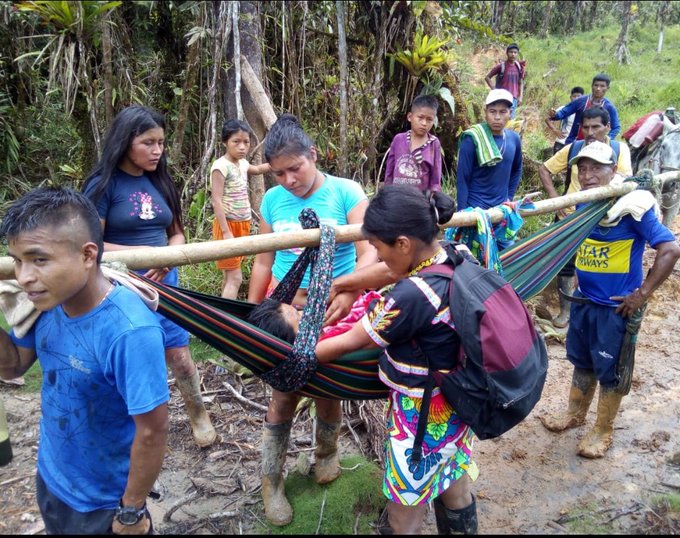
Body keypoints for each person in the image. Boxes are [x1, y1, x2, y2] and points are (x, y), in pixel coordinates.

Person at [0, 188, 169, 535]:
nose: (24, 276)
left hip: (104, 502)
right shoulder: (46, 304)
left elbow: (153, 430)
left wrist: (131, 511)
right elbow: (13, 365)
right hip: (52, 478)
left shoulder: (130, 332)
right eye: (17, 260)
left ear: (88, 254)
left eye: (39, 259)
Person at [315, 185, 479, 535]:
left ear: (403, 243)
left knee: (403, 511)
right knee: (453, 481)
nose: (378, 256)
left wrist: (292, 355)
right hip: (455, 402)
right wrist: (344, 284)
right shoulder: (454, 254)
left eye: (378, 248)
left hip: (418, 418)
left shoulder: (410, 296)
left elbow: (349, 342)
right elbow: (390, 272)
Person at [246, 113, 374, 526]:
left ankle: (326, 454)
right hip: (286, 312)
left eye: (294, 168)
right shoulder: (272, 201)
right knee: (283, 394)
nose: (287, 180)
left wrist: (352, 287)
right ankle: (272, 482)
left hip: (336, 307)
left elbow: (370, 250)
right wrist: (250, 319)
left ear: (313, 155)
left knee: (327, 385)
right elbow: (264, 260)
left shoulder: (346, 192)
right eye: (277, 173)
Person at [82, 105, 217, 448]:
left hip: (166, 283)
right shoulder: (103, 185)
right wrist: (141, 259)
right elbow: (90, 243)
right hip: (119, 286)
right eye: (148, 143)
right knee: (130, 354)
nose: (157, 150)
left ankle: (198, 414)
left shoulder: (161, 180)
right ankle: (132, 425)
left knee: (179, 355)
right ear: (125, 142)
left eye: (161, 142)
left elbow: (177, 233)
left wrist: (169, 258)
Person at [539, 142, 680, 458]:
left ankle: (603, 428)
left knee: (612, 370)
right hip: (583, 301)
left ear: (613, 170)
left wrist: (641, 295)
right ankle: (575, 413)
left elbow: (670, 250)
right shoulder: (585, 205)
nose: (587, 175)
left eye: (596, 168)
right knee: (582, 360)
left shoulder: (632, 209)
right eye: (582, 169)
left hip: (614, 309)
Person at [538, 106, 633, 328]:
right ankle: (565, 312)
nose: (590, 132)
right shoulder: (574, 148)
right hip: (569, 218)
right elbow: (545, 169)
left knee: (595, 262)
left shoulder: (619, 151)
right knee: (565, 265)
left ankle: (592, 310)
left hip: (603, 219)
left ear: (608, 127)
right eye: (586, 127)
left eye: (596, 127)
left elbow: (625, 179)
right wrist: (555, 202)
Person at [210, 119, 271, 299]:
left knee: (230, 275)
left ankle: (221, 311)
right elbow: (216, 201)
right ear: (225, 143)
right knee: (235, 277)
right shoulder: (220, 166)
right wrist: (226, 231)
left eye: (246, 142)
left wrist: (278, 162)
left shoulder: (242, 163)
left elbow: (258, 169)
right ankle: (227, 320)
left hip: (242, 225)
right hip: (228, 226)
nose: (242, 147)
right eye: (236, 142)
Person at [456, 88, 523, 250]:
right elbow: (462, 178)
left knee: (507, 257)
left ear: (510, 113)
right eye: (492, 111)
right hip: (475, 210)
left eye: (503, 111)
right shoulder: (473, 139)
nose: (497, 117)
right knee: (473, 260)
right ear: (485, 113)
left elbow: (516, 170)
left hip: (501, 212)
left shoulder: (514, 139)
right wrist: (463, 213)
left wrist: (509, 196)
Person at [384, 94, 442, 194]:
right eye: (420, 117)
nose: (424, 123)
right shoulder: (398, 140)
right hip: (396, 199)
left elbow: (435, 180)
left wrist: (433, 197)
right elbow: (389, 172)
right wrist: (386, 195)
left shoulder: (433, 144)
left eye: (429, 119)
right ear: (410, 117)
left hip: (419, 202)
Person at [548, 73, 621, 144]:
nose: (598, 89)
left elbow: (616, 127)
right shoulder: (580, 101)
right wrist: (555, 115)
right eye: (596, 85)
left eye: (602, 86)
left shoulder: (609, 107)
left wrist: (606, 139)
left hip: (596, 147)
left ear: (607, 88)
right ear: (592, 86)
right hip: (574, 142)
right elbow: (564, 112)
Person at [484, 43, 525, 119]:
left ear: (517, 54)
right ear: (507, 53)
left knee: (510, 119)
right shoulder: (501, 66)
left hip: (514, 99)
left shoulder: (518, 67)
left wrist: (520, 96)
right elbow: (487, 77)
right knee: (502, 118)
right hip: (502, 98)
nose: (513, 54)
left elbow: (521, 81)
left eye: (515, 52)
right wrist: (495, 90)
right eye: (511, 52)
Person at [545, 86, 585, 154]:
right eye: (574, 96)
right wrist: (555, 130)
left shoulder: (585, 110)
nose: (576, 98)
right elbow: (547, 119)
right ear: (570, 97)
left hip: (577, 144)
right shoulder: (564, 109)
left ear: (583, 97)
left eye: (578, 96)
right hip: (561, 142)